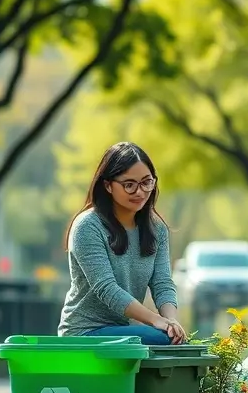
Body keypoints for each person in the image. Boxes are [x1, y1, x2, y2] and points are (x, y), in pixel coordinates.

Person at [58, 142, 186, 346]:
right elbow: (106, 288)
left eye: (147, 182)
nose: (140, 192)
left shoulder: (157, 229)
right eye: (129, 185)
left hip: (121, 331)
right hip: (84, 333)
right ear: (108, 185)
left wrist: (171, 322)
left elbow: (162, 283)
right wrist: (156, 320)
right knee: (159, 338)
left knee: (172, 338)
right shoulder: (88, 226)